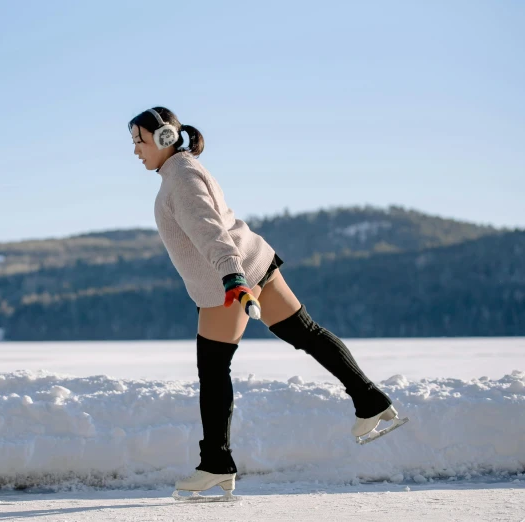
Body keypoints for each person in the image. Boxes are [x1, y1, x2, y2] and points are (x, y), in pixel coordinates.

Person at [128, 106, 402, 499]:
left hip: (229, 283)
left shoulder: (180, 179)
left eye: (139, 140)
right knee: (306, 332)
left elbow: (210, 232)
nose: (136, 150)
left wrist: (233, 278)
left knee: (214, 369)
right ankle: (371, 400)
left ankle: (216, 463)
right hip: (256, 262)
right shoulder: (183, 170)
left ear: (164, 138)